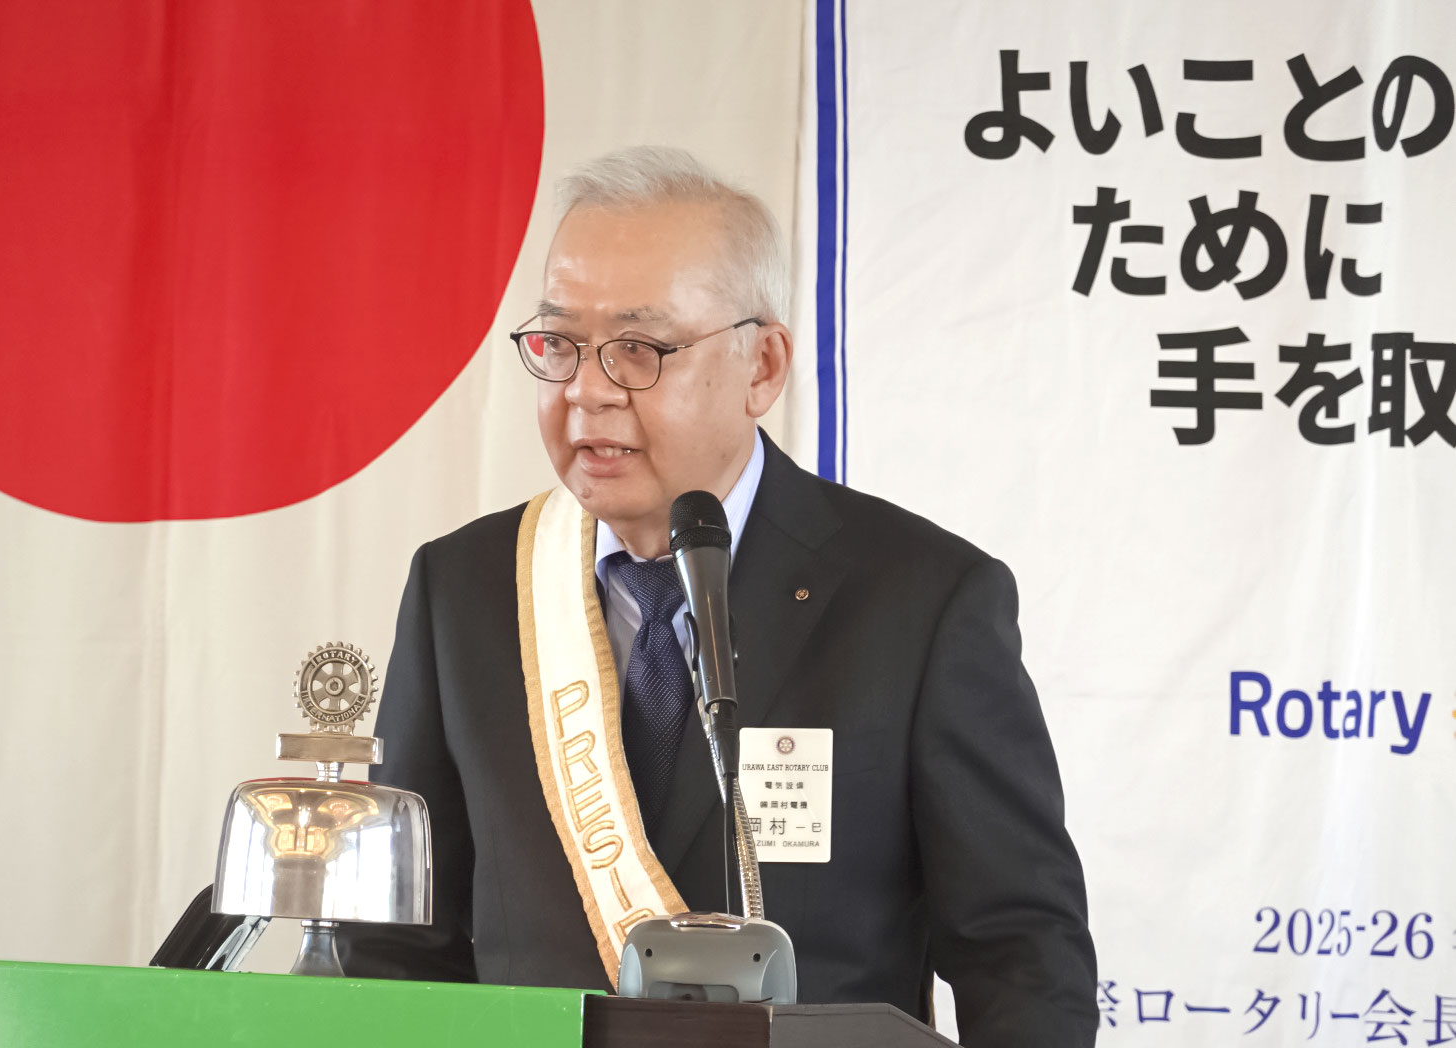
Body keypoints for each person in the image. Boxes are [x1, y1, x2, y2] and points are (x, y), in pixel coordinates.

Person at [338, 146, 1098, 1047]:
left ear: (762, 367)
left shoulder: (921, 600)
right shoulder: (463, 588)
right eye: (559, 345)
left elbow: (1019, 951)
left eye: (638, 349)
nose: (586, 391)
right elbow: (397, 942)